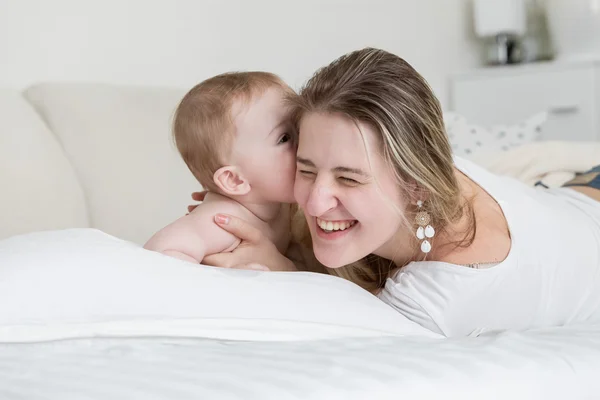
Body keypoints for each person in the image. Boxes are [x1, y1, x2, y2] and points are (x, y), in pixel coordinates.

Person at [193, 48, 600, 337]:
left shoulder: (440, 299)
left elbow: (342, 319)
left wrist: (282, 273)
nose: (315, 202)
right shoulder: (413, 174)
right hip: (566, 194)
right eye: (306, 168)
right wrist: (253, 206)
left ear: (416, 183)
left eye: (349, 179)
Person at [144, 72, 296, 270]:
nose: (305, 144)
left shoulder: (283, 207)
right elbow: (158, 253)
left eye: (301, 127)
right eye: (284, 138)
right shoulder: (222, 220)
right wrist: (219, 285)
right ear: (234, 180)